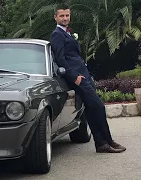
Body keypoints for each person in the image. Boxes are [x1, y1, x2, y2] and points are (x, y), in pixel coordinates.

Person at [50, 4, 126, 153]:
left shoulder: (67, 33)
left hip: (84, 74)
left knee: (91, 109)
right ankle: (109, 140)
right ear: (55, 17)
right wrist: (74, 77)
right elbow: (60, 58)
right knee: (98, 106)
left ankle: (101, 144)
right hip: (77, 77)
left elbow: (74, 56)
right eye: (62, 16)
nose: (65, 18)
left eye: (67, 15)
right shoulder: (57, 34)